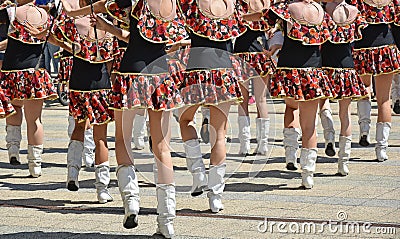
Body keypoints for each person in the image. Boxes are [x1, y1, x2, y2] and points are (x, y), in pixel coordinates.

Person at [88, 0, 188, 236]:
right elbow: (164, 41)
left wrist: (104, 25)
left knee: (122, 139)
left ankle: (131, 201)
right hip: (162, 72)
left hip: (131, 70)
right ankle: (166, 220)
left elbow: (108, 7)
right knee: (162, 147)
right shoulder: (175, 3)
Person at [178, 0, 245, 210]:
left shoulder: (191, 3)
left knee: (185, 120)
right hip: (224, 69)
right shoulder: (234, 4)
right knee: (219, 136)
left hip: (196, 68)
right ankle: (216, 197)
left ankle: (198, 173)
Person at [53, 0, 117, 203]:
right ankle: (102, 189)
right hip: (102, 85)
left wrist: (68, 45)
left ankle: (72, 174)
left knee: (78, 128)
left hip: (78, 83)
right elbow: (110, 64)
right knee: (101, 138)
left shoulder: (74, 23)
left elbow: (53, 33)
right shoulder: (108, 24)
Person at [1, 1, 57, 174]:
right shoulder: (46, 15)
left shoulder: (11, 12)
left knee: (14, 108)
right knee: (35, 119)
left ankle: (13, 150)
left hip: (13, 70)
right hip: (36, 71)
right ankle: (35, 164)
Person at [322, 0, 368, 175]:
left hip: (325, 65)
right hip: (347, 66)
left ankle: (329, 137)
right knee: (345, 112)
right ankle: (343, 161)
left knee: (323, 103)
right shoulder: (354, 11)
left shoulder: (323, 9)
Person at [351, 0, 399, 161]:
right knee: (384, 100)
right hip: (386, 47)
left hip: (362, 48)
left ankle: (364, 129)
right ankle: (381, 148)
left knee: (364, 90)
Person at [234, 0, 273, 156]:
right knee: (261, 100)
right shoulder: (266, 3)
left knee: (243, 100)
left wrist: (244, 17)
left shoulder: (239, 3)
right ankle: (262, 144)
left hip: (242, 50)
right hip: (261, 50)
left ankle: (245, 144)